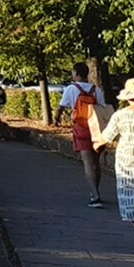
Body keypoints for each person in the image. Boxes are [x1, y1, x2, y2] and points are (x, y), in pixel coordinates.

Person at [94, 77, 134, 253]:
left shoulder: (121, 115)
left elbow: (105, 137)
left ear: (127, 97)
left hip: (127, 166)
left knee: (133, 204)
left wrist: (97, 144)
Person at [55, 62, 107, 208]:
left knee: (87, 162)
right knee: (96, 162)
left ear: (76, 73)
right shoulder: (96, 90)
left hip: (81, 128)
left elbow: (61, 107)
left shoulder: (71, 89)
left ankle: (94, 195)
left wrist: (56, 119)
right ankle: (96, 192)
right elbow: (102, 108)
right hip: (95, 128)